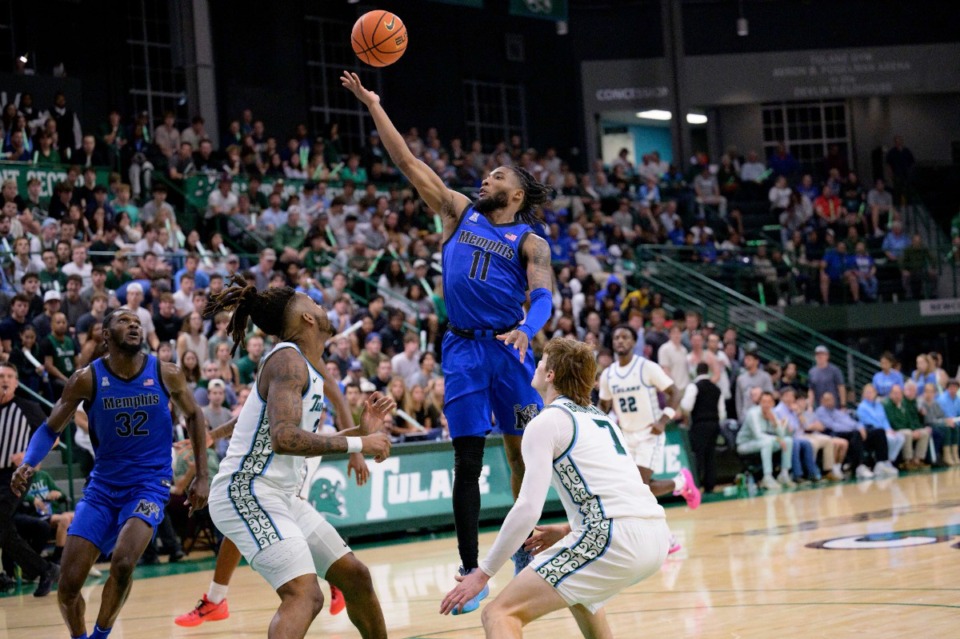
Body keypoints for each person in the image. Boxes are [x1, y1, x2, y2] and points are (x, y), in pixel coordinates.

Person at [343, 70, 556, 606]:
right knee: (466, 460)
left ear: (520, 191)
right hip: (462, 349)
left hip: (508, 351)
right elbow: (408, 163)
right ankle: (468, 567)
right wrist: (373, 105)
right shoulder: (458, 211)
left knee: (524, 455)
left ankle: (527, 549)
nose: (486, 179)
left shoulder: (531, 240)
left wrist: (527, 331)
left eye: (497, 175)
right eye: (485, 174)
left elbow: (545, 297)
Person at [202, 277, 394, 639]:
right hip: (246, 491)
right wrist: (358, 446)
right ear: (307, 318)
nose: (322, 307)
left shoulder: (307, 365)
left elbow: (299, 436)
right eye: (314, 302)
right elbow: (284, 438)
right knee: (305, 595)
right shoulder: (288, 361)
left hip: (282, 496)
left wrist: (360, 432)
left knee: (355, 576)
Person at [440, 338, 669, 636]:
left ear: (550, 375)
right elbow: (621, 490)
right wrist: (567, 531)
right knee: (582, 596)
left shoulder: (546, 421)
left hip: (613, 537)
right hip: (657, 534)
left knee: (499, 613)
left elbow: (527, 508)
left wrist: (483, 574)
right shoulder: (603, 419)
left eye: (542, 360)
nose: (535, 364)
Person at [10, 308, 210, 638]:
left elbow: (195, 417)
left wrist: (202, 474)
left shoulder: (165, 372)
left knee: (123, 562)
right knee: (68, 586)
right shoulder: (87, 378)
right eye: (124, 321)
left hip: (149, 485)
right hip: (102, 488)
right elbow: (50, 428)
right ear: (106, 335)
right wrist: (29, 463)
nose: (134, 326)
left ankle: (101, 635)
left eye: (137, 322)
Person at [598, 326, 700, 543]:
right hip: (626, 436)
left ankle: (667, 539)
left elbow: (675, 392)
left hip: (649, 433)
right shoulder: (608, 374)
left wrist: (664, 420)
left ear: (634, 342)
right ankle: (680, 483)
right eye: (616, 337)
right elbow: (604, 406)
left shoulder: (646, 367)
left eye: (625, 336)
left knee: (642, 488)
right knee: (635, 491)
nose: (620, 341)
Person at [0, 363, 61, 597]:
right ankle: (45, 569)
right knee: (4, 528)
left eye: (9, 376)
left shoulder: (28, 407)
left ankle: (42, 569)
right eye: (1, 376)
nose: (4, 380)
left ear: (16, 382)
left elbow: (52, 438)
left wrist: (28, 456)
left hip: (15, 477)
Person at [680, 362, 725, 493]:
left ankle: (696, 484)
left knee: (698, 455)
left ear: (696, 372)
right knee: (711, 455)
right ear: (708, 372)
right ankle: (710, 485)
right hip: (714, 425)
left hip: (700, 425)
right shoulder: (716, 388)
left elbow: (686, 406)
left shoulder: (693, 387)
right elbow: (722, 413)